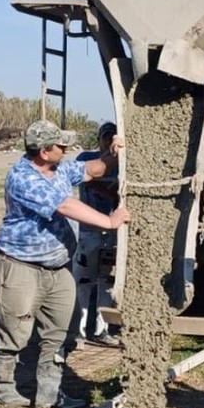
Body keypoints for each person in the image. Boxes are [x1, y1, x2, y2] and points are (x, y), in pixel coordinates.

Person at [0, 119, 131, 408]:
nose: (66, 149)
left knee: (61, 331)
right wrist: (109, 221)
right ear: (43, 151)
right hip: (20, 265)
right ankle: (5, 388)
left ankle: (49, 394)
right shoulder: (23, 178)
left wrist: (115, 155)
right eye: (60, 145)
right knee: (13, 329)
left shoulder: (58, 169)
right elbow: (65, 205)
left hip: (57, 266)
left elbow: (93, 169)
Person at [72, 122, 121, 348]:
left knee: (106, 280)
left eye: (112, 137)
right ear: (99, 139)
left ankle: (102, 329)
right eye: (105, 137)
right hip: (89, 232)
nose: (108, 141)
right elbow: (93, 184)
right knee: (83, 280)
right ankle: (80, 331)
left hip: (111, 233)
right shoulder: (85, 158)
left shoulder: (123, 163)